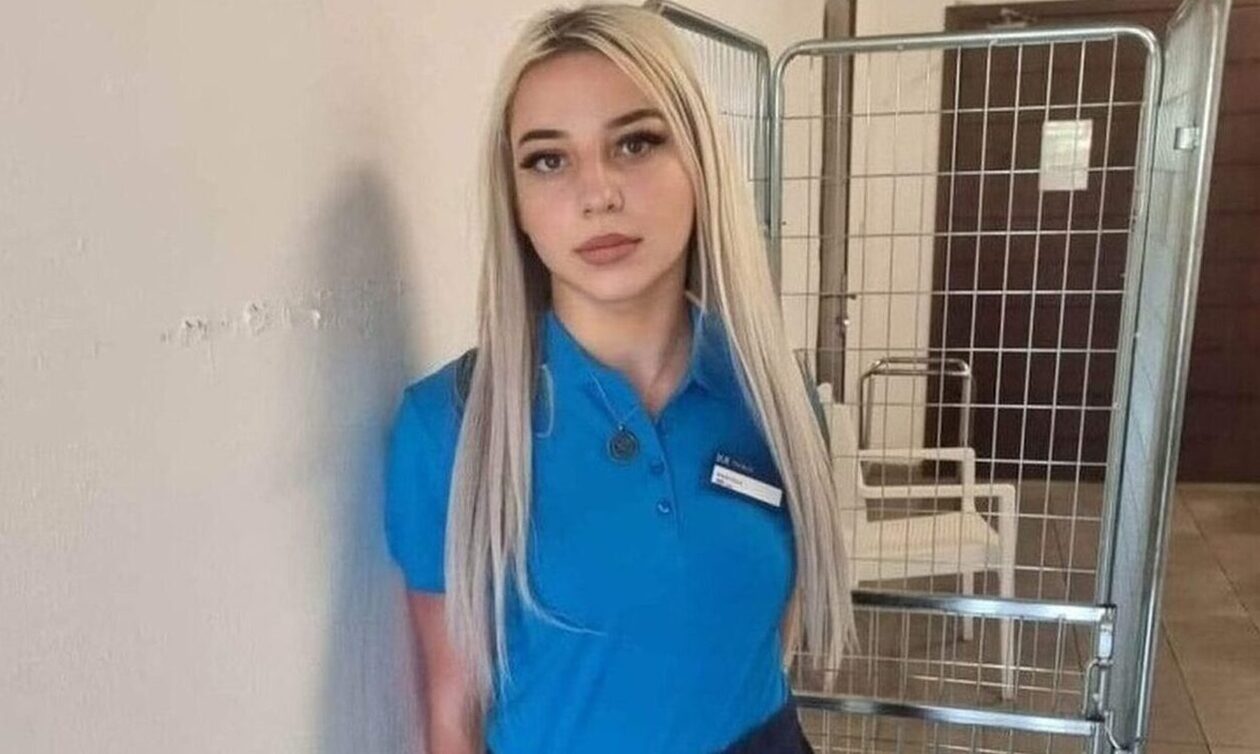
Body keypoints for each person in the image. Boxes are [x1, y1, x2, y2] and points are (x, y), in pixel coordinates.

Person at [384, 4, 855, 752]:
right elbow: (453, 715)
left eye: (635, 143)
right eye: (549, 159)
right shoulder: (450, 427)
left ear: (699, 163)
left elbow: (758, 642)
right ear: (516, 202)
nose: (597, 192)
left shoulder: (773, 397)